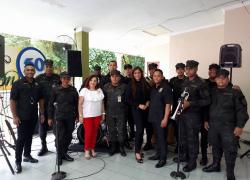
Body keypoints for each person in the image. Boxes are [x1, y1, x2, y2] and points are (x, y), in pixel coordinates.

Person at [203, 69, 248, 180]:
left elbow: (242, 111)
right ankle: (216, 165)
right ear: (215, 79)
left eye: (223, 78)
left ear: (228, 79)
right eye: (218, 78)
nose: (221, 80)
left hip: (229, 127)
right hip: (213, 126)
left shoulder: (235, 92)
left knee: (230, 150)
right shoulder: (212, 91)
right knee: (215, 146)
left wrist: (240, 126)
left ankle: (230, 172)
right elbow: (207, 107)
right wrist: (206, 120)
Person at [174, 60, 210, 172]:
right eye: (187, 68)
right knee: (183, 138)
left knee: (192, 139)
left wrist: (191, 103)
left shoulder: (201, 83)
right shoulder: (184, 81)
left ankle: (192, 162)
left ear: (196, 69)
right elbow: (183, 96)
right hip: (183, 114)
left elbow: (207, 100)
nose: (188, 71)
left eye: (191, 69)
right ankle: (185, 156)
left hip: (194, 115)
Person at [10, 63, 45, 173]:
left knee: (30, 136)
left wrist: (42, 113)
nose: (30, 71)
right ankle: (18, 162)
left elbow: (41, 100)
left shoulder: (37, 84)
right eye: (28, 70)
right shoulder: (17, 84)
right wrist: (15, 116)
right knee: (21, 139)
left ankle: (27, 155)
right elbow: (12, 101)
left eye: (32, 70)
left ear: (34, 72)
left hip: (33, 116)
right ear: (24, 71)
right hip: (22, 116)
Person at [48, 72, 79, 165]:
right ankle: (59, 155)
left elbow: (77, 104)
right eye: (64, 78)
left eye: (67, 78)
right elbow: (50, 104)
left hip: (70, 117)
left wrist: (77, 115)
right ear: (61, 79)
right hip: (59, 117)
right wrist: (49, 117)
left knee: (68, 135)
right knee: (60, 136)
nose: (66, 80)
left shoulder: (73, 90)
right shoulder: (55, 90)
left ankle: (64, 153)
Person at [148, 69, 172, 168]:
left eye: (158, 76)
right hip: (154, 117)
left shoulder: (166, 88)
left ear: (162, 77)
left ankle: (163, 158)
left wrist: (165, 118)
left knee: (162, 139)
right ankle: (158, 154)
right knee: (157, 137)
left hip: (161, 118)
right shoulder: (153, 88)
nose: (156, 77)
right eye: (154, 76)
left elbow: (168, 104)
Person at [35, 59, 60, 156]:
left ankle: (58, 147)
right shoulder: (39, 78)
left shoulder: (58, 78)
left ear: (53, 67)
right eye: (47, 67)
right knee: (42, 129)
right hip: (43, 108)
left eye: (50, 66)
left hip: (55, 108)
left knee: (57, 129)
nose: (49, 68)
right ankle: (43, 147)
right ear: (44, 67)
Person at [126, 67, 151, 163]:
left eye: (139, 72)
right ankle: (137, 152)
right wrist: (138, 105)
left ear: (141, 73)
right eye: (135, 73)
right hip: (136, 110)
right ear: (133, 74)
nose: (137, 74)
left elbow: (149, 96)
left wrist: (148, 102)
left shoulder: (145, 83)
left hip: (146, 109)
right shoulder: (130, 85)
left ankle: (139, 150)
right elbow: (127, 99)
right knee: (139, 131)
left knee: (145, 129)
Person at [78, 75, 104, 160]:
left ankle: (92, 148)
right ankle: (86, 150)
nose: (93, 82)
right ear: (88, 81)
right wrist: (80, 116)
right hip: (87, 115)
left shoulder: (99, 90)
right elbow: (80, 104)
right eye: (91, 80)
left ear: (97, 82)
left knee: (95, 133)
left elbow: (102, 103)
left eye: (95, 81)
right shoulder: (84, 90)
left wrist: (103, 114)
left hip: (97, 115)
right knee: (88, 133)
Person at [199, 63, 220, 166]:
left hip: (218, 116)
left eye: (214, 70)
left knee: (217, 139)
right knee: (204, 137)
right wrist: (205, 119)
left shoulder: (221, 83)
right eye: (210, 70)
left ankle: (217, 161)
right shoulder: (204, 83)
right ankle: (204, 157)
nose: (211, 72)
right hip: (205, 114)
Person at [103, 70, 127, 156]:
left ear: (119, 77)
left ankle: (121, 147)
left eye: (116, 76)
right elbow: (103, 100)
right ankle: (113, 147)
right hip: (109, 112)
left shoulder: (124, 87)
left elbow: (127, 100)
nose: (115, 78)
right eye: (112, 76)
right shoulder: (106, 87)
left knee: (121, 131)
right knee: (112, 130)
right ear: (110, 78)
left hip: (121, 112)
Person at [169, 62, 186, 153]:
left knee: (184, 128)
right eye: (178, 69)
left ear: (184, 70)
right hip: (175, 107)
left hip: (186, 107)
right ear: (176, 70)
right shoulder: (172, 80)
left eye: (181, 69)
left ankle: (184, 146)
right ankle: (178, 145)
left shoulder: (188, 80)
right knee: (177, 128)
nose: (180, 71)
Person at [143, 63, 158, 151]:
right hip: (148, 106)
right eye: (150, 69)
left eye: (153, 69)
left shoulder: (160, 79)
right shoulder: (145, 80)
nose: (152, 71)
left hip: (157, 107)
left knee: (157, 127)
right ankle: (148, 143)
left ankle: (158, 144)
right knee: (148, 126)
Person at [123, 63, 135, 145]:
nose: (128, 70)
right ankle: (125, 138)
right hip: (124, 104)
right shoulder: (122, 80)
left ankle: (132, 134)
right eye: (126, 69)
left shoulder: (135, 79)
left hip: (133, 104)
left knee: (132, 121)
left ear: (132, 69)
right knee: (124, 121)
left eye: (129, 69)